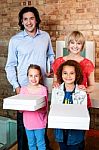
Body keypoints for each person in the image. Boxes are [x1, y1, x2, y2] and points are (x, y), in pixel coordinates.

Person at [5, 6, 54, 150]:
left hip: (41, 88)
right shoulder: (15, 40)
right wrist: (17, 86)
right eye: (25, 19)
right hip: (24, 89)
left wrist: (51, 67)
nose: (29, 22)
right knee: (23, 127)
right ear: (21, 21)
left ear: (37, 20)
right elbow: (10, 65)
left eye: (31, 18)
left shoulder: (45, 37)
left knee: (40, 121)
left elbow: (50, 55)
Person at [51, 60, 87, 150]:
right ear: (61, 74)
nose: (68, 76)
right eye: (65, 73)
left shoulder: (82, 92)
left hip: (76, 134)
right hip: (61, 132)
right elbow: (53, 109)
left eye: (72, 73)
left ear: (76, 75)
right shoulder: (56, 91)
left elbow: (83, 113)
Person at [52, 31, 94, 108]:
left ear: (82, 46)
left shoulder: (88, 64)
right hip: (61, 103)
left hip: (81, 103)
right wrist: (55, 84)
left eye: (78, 43)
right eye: (72, 42)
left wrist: (85, 90)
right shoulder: (58, 62)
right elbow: (55, 81)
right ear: (68, 44)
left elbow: (92, 86)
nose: (75, 46)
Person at [20, 64, 48, 150]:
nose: (33, 78)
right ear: (27, 76)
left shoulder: (43, 89)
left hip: (39, 122)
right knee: (31, 144)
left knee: (41, 144)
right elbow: (21, 110)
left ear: (40, 76)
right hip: (28, 122)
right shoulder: (23, 90)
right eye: (31, 76)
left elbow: (45, 108)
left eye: (36, 76)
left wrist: (35, 106)